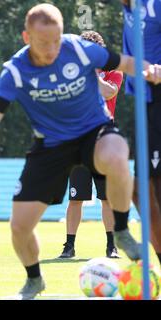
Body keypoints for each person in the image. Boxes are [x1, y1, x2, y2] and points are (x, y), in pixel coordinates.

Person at [0, 3, 161, 299]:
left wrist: (150, 70)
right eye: (44, 42)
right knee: (19, 226)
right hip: (50, 145)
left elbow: (125, 62)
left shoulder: (79, 50)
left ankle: (120, 231)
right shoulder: (15, 70)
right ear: (26, 37)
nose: (52, 48)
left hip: (93, 133)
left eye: (57, 39)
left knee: (118, 152)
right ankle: (34, 280)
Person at [58, 31, 123, 260]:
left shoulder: (114, 72)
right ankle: (69, 246)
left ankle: (111, 246)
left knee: (107, 198)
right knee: (75, 198)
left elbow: (109, 92)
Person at [121, 0, 161, 265]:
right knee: (139, 191)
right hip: (143, 101)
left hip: (158, 97)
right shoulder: (128, 7)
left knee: (153, 189)